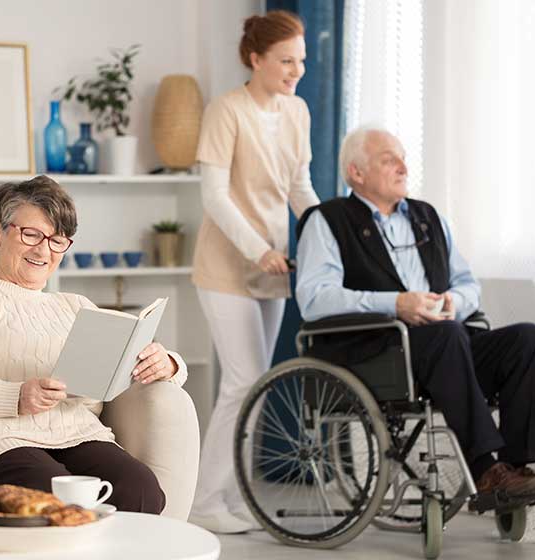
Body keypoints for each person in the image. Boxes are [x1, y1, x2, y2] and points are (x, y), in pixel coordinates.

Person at [295, 127, 535, 508]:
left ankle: (519, 469)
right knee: (446, 335)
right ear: (356, 173)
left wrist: (454, 301)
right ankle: (486, 470)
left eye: (402, 157)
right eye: (388, 159)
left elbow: (468, 284)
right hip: (377, 353)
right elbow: (314, 299)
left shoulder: (427, 218)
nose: (403, 166)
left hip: (446, 346)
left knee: (527, 339)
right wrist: (395, 303)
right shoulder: (327, 221)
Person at [0, 175, 187, 513]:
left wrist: (168, 363)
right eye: (31, 234)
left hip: (76, 433)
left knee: (141, 492)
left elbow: (128, 356)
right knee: (51, 502)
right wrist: (15, 397)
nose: (43, 250)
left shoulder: (76, 305)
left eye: (57, 240)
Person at [189, 10, 320, 534]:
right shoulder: (227, 111)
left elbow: (300, 189)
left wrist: (326, 232)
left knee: (256, 384)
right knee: (241, 380)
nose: (296, 70)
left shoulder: (298, 111)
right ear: (256, 59)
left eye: (301, 61)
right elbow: (214, 196)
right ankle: (203, 501)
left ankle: (229, 494)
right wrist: (255, 247)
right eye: (286, 60)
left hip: (274, 267)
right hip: (226, 264)